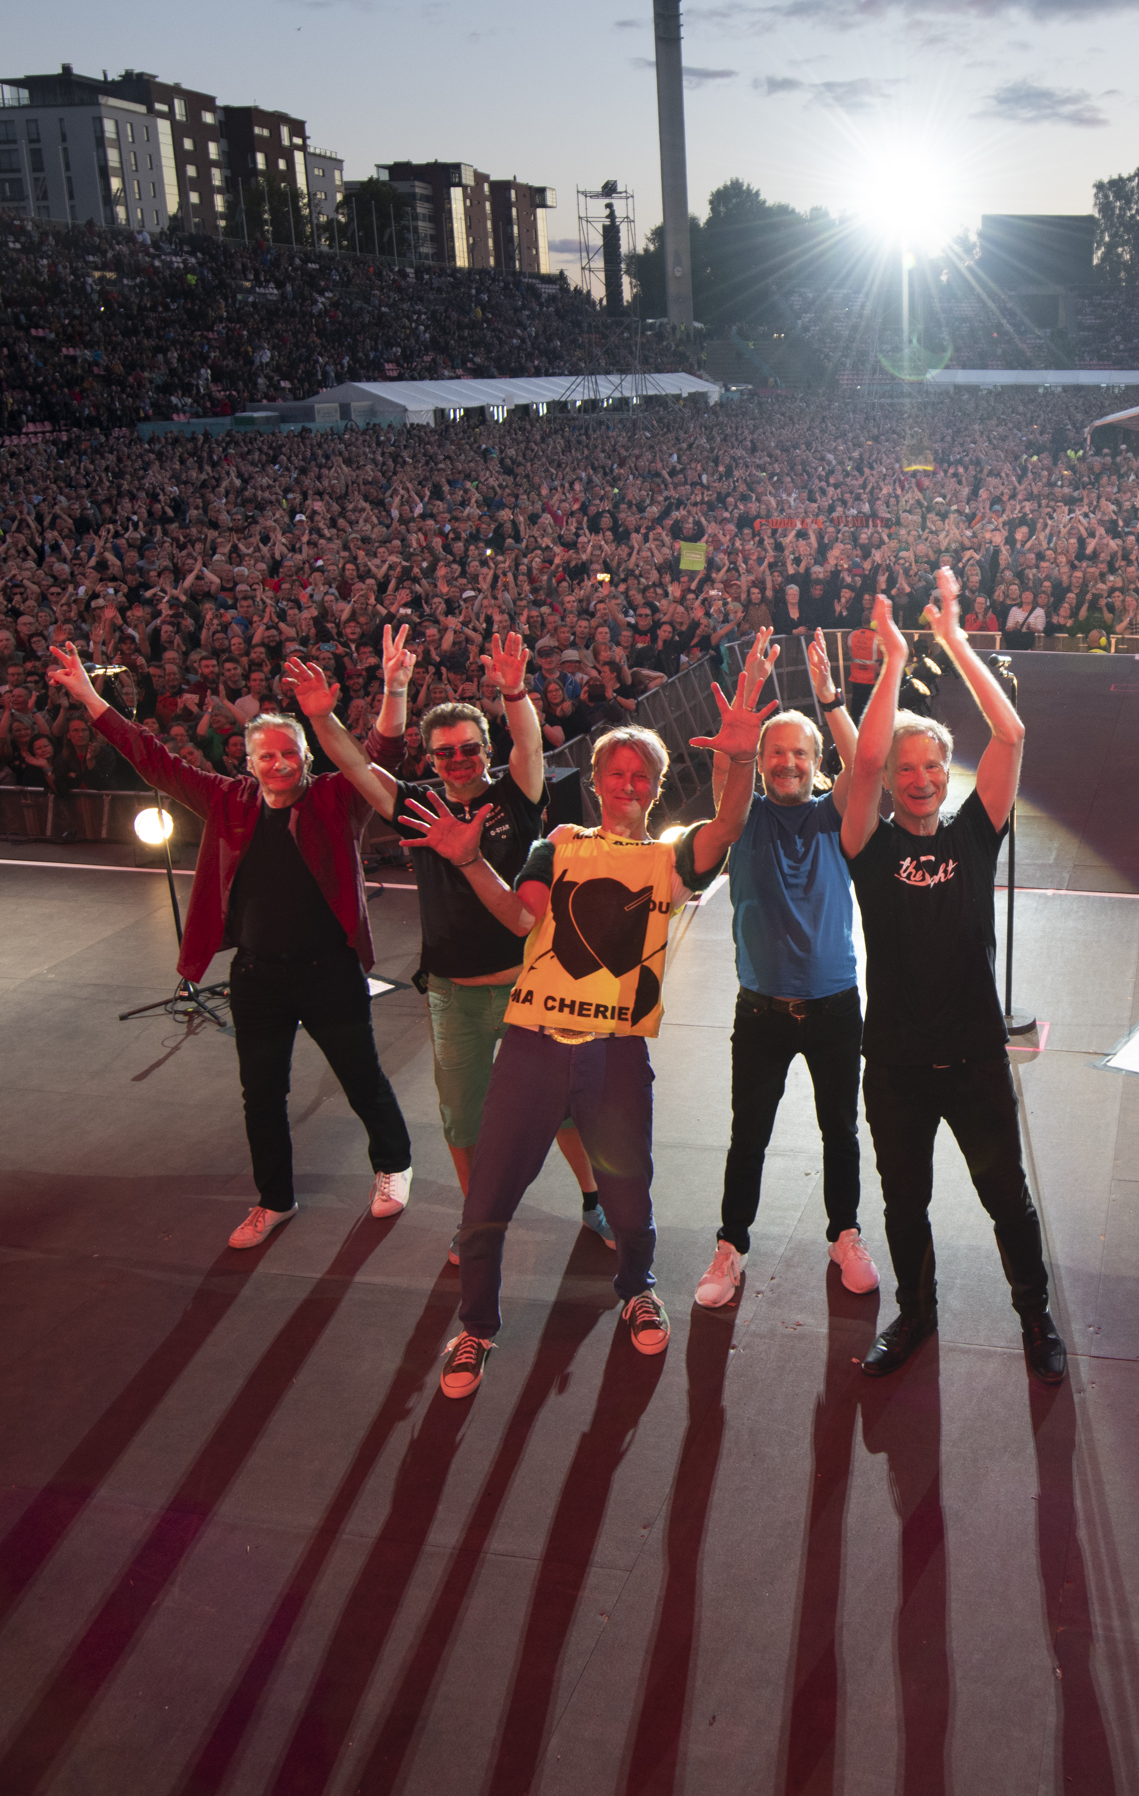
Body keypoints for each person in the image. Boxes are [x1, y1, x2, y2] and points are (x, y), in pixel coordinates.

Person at [397, 722, 735, 1398]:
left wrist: (742, 755)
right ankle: (477, 1327)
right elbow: (521, 920)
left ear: (656, 788)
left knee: (631, 1208)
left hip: (614, 1056)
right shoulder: (558, 845)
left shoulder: (666, 864)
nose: (629, 784)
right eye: (617, 772)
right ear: (597, 782)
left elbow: (727, 823)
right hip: (534, 1048)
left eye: (642, 775)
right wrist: (468, 861)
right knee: (487, 1202)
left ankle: (638, 1289)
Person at [45, 642, 414, 1250]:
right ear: (247, 762)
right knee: (261, 1092)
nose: (277, 765)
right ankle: (274, 1199)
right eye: (264, 756)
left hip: (332, 971)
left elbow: (379, 754)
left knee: (361, 1077)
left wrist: (393, 690)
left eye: (288, 755)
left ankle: (393, 1166)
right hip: (257, 977)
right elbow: (152, 758)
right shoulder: (225, 801)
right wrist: (90, 698)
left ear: (305, 757)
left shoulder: (334, 797)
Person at [289, 626, 608, 1251]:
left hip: (529, 989)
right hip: (453, 995)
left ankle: (595, 1202)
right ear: (429, 759)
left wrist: (515, 691)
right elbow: (354, 765)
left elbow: (527, 742)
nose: (457, 762)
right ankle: (478, 1217)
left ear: (484, 750)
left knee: (566, 1109)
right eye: (444, 754)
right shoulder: (416, 807)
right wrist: (324, 720)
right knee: (461, 1119)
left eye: (467, 750)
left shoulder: (516, 797)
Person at [838, 575, 1066, 1384]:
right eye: (907, 767)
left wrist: (957, 641)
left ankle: (1035, 1318)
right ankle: (916, 1316)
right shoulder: (867, 844)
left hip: (973, 1059)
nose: (920, 776)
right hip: (896, 1064)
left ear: (947, 769)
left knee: (1008, 1198)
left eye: (933, 763)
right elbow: (863, 757)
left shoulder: (975, 832)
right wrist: (895, 658)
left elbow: (1010, 734)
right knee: (905, 1205)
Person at [680, 627, 880, 1310]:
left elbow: (868, 767)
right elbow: (728, 784)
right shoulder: (744, 820)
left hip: (833, 1008)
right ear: (761, 762)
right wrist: (738, 742)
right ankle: (731, 1245)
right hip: (760, 1009)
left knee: (840, 1132)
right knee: (749, 1135)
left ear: (816, 762)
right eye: (774, 753)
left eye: (798, 754)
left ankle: (845, 1233)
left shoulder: (838, 819)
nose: (786, 762)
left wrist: (829, 699)